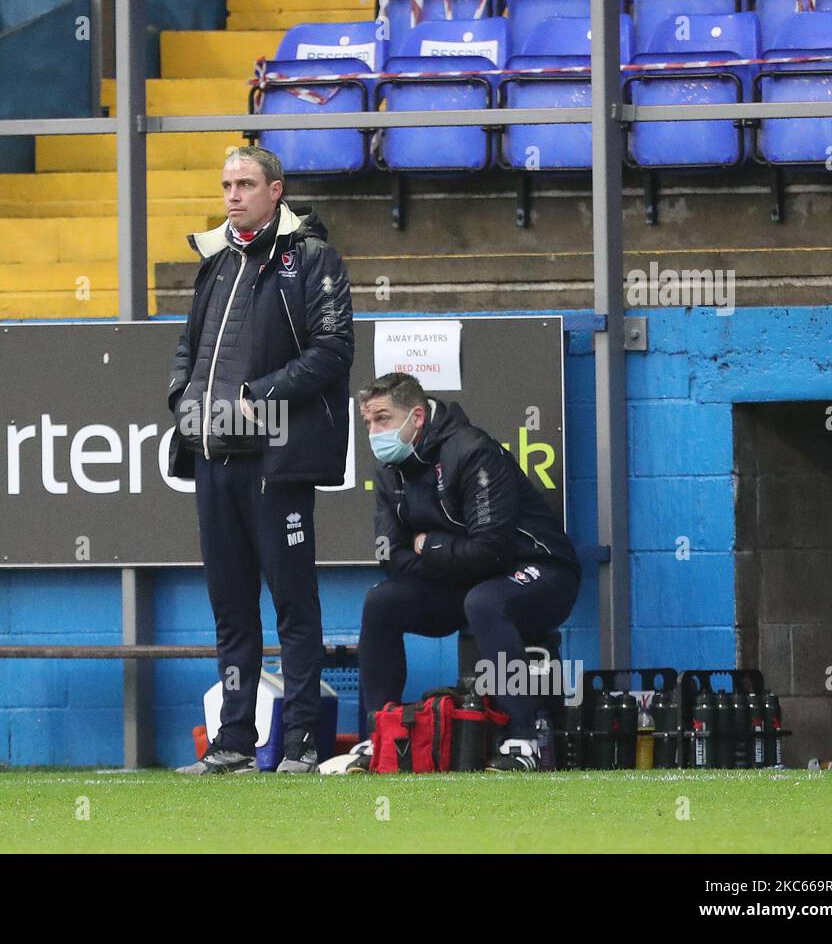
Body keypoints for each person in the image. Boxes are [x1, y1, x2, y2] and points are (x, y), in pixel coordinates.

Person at [167, 146, 354, 774]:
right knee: (230, 606)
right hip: (212, 454)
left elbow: (333, 351)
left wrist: (256, 396)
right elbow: (187, 350)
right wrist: (181, 400)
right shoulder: (216, 259)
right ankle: (233, 741)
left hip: (277, 459)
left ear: (277, 190)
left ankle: (301, 739)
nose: (232, 195)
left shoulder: (314, 258)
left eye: (245, 183)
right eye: (225, 184)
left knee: (294, 605)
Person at [357, 371, 582, 771]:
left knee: (486, 601)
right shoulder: (388, 472)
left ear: (418, 417)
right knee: (381, 601)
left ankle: (521, 741)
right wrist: (439, 555)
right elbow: (391, 557)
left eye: (383, 419)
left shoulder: (472, 451)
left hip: (541, 571)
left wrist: (429, 544)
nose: (374, 431)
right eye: (369, 422)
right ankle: (380, 735)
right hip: (464, 582)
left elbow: (490, 550)